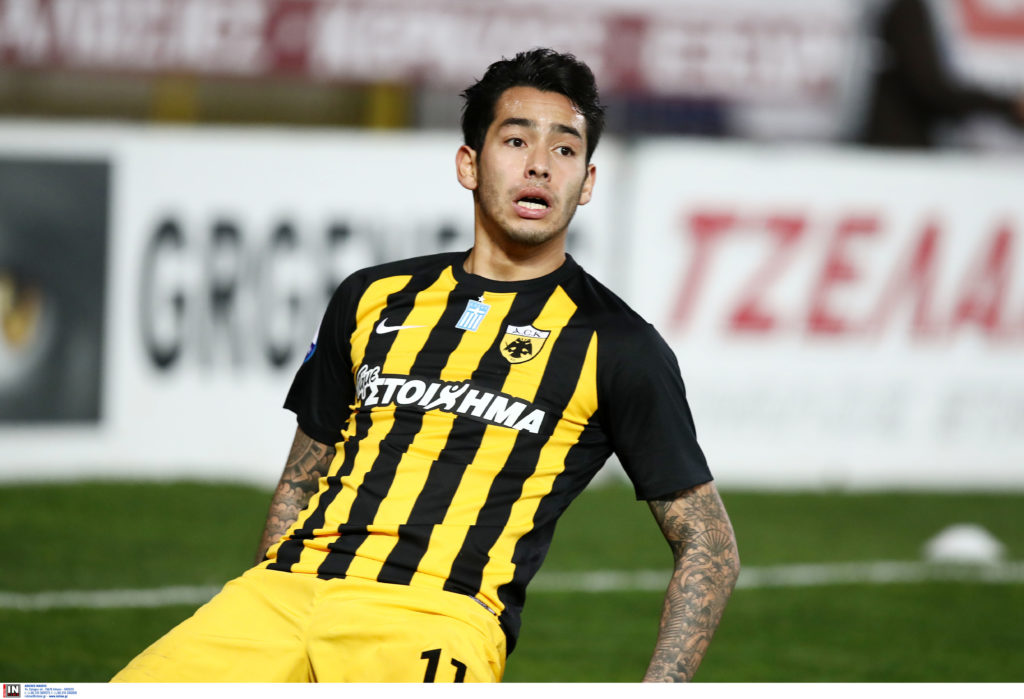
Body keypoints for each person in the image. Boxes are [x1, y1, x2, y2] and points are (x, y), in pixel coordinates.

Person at [113, 47, 739, 683]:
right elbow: (301, 480)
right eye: (516, 140)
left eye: (564, 149)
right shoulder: (372, 297)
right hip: (279, 596)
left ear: (587, 182)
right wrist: (271, 593)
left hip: (435, 616)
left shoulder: (618, 343)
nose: (540, 165)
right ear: (469, 164)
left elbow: (709, 546)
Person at [858, 0, 1024, 148]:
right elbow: (930, 86)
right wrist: (1009, 106)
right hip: (904, 149)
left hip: (986, 149)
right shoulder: (911, 8)